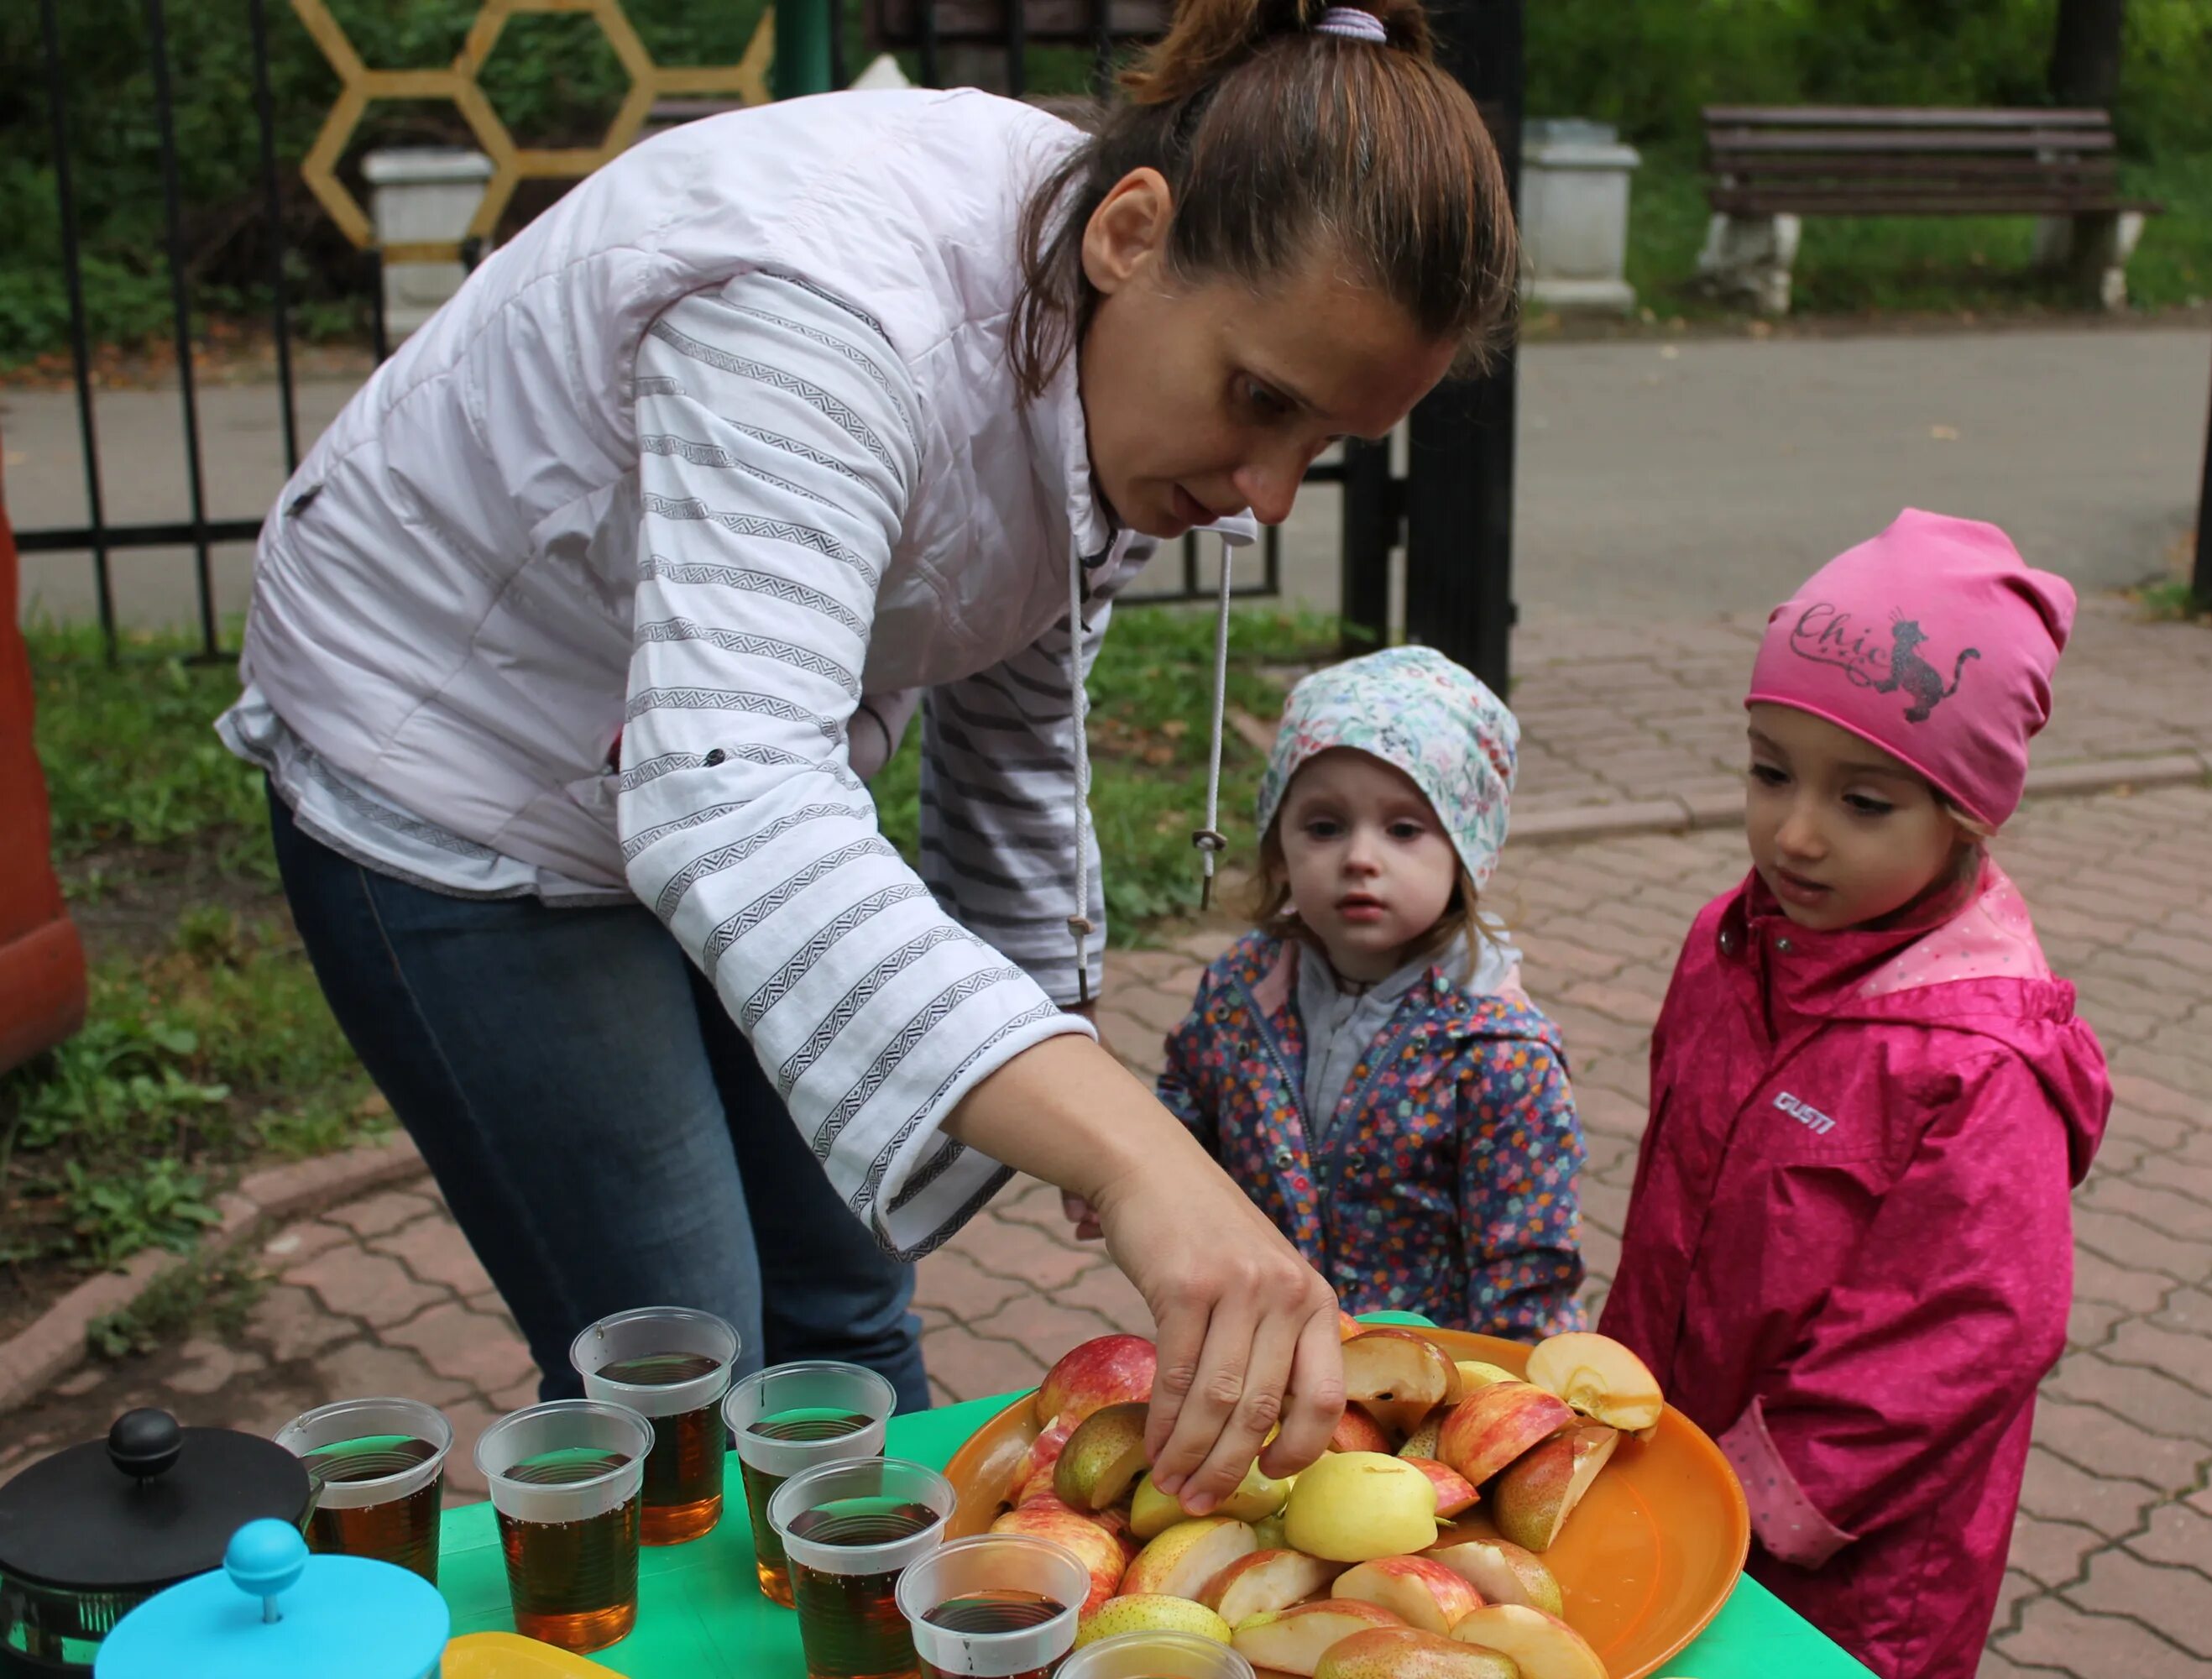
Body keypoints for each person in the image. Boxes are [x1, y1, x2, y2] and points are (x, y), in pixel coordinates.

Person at [217, 0, 1518, 1509]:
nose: (1267, 496)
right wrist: (1130, 1157)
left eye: (1325, 446)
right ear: (1133, 235)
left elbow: (1019, 715)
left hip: (701, 752)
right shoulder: (825, 309)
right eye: (1264, 405)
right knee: (682, 1351)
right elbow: (731, 802)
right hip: (455, 756)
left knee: (845, 1290)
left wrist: (1062, 1060)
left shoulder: (1120, 313)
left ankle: (906, 1614)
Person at [1597, 510, 2111, 1679]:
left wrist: (1757, 1496)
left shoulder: (1976, 1067)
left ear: (1967, 814)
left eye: (1864, 803)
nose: (1795, 832)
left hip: (1850, 1562)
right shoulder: (1731, 944)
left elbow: (1970, 1329)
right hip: (1667, 1462)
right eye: (1770, 772)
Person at [1075, 647, 1583, 1338]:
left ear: (1468, 846)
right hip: (1253, 1344)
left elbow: (1525, 1273)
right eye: (1324, 826)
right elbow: (1189, 1113)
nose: (1360, 857)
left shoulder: (1500, 1055)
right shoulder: (1240, 992)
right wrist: (1126, 1171)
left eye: (1405, 829)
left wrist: (1519, 1404)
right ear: (1278, 845)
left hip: (1418, 1389)